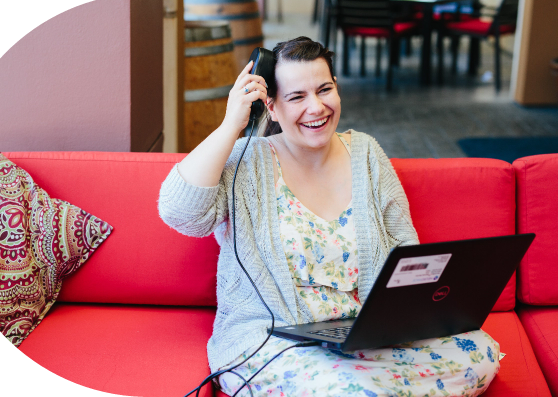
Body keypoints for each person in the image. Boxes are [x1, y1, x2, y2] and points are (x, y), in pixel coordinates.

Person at [158, 37, 500, 397]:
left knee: (481, 352)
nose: (317, 107)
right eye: (297, 97)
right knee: (348, 390)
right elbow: (181, 214)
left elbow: (404, 246)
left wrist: (404, 315)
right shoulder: (246, 160)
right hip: (274, 337)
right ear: (270, 107)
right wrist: (231, 124)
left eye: (325, 89)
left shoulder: (367, 153)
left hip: (367, 333)